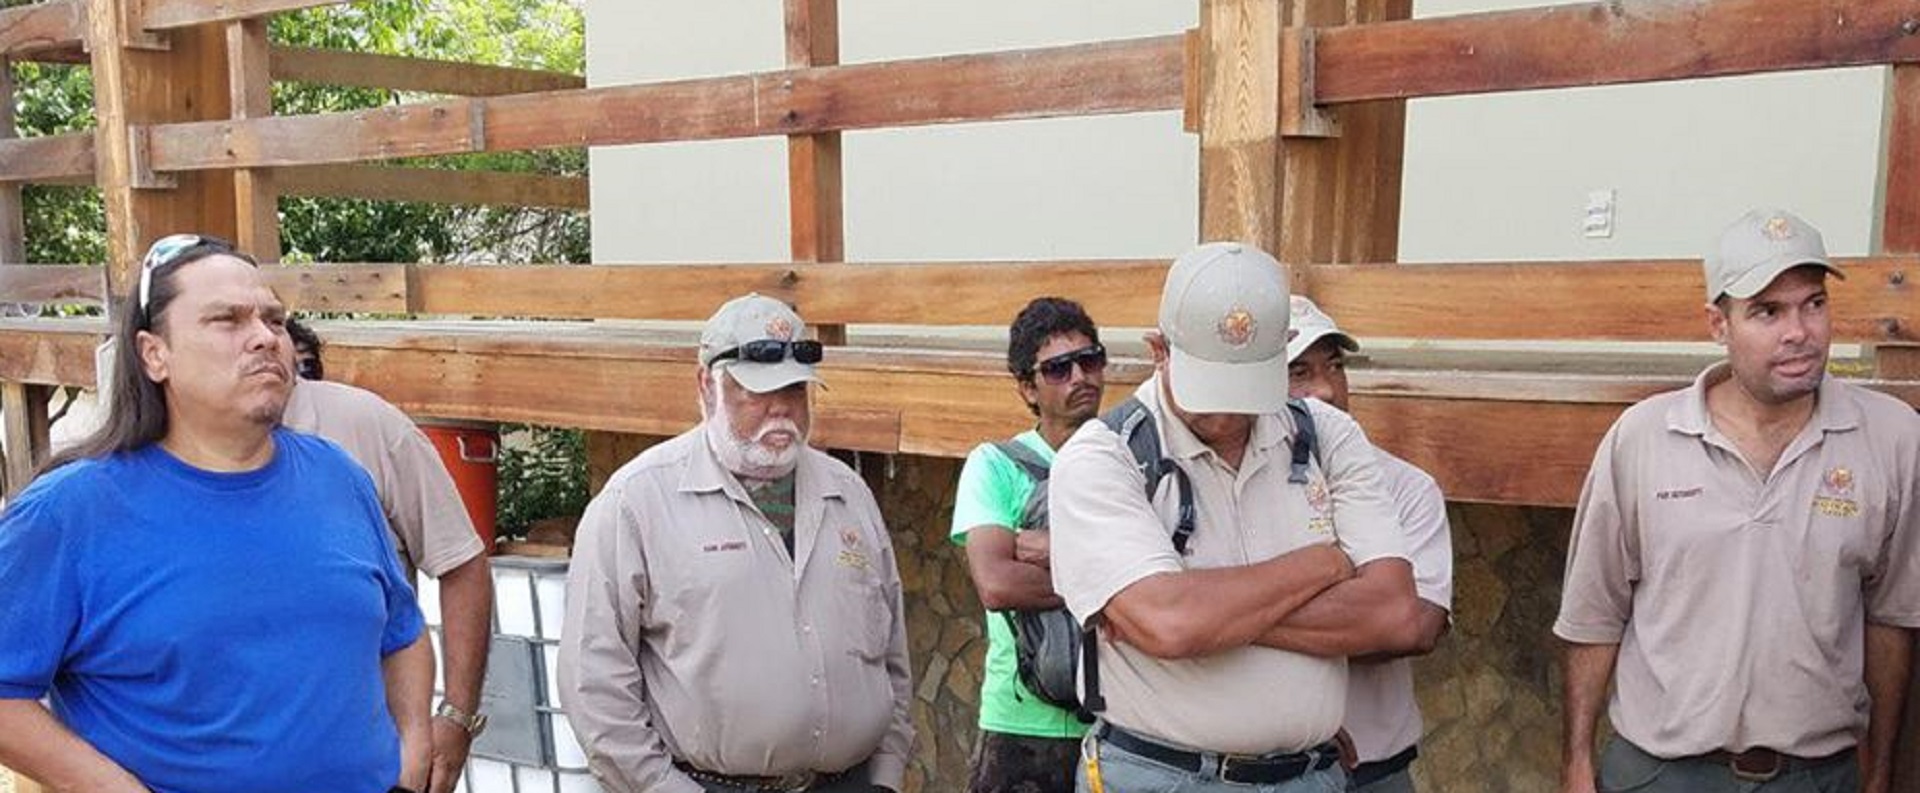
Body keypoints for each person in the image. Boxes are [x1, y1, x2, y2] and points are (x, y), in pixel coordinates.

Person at [0, 234, 433, 792]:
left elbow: (402, 633)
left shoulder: (338, 476)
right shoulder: (68, 515)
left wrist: (412, 752)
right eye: (228, 320)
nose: (264, 339)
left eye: (273, 321)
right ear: (155, 354)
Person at [1555, 209, 1920, 793]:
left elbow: (1893, 618)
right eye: (1768, 311)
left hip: (1817, 778)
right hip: (1660, 774)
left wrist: (1879, 775)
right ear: (1718, 325)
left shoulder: (1893, 438)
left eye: (1814, 304)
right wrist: (1576, 764)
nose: (1798, 331)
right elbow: (1594, 615)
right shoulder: (1643, 437)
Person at [1050, 241, 1426, 793]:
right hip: (1161, 776)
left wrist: (1208, 615)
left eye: (1247, 387)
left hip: (1309, 775)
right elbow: (1171, 624)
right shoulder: (1103, 457)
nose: (1228, 414)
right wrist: (1325, 563)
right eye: (1211, 388)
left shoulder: (1326, 433)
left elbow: (1394, 615)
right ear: (1159, 350)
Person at [557, 293, 913, 793]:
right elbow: (593, 682)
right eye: (758, 391)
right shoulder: (635, 503)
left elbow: (892, 652)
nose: (782, 409)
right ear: (707, 385)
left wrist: (888, 772)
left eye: (795, 390)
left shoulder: (848, 493)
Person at [279, 316, 495, 793]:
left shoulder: (360, 427)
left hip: (377, 753)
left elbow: (459, 563)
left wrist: (455, 717)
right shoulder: (132, 468)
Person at [1285, 296, 1453, 793]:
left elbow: (1412, 627)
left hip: (1373, 766)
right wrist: (1354, 604)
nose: (1328, 390)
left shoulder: (1406, 486)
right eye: (1299, 372)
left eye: (1335, 367)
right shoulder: (1235, 491)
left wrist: (1243, 622)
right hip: (1270, 764)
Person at [951, 297, 1108, 793]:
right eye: (1058, 368)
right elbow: (997, 583)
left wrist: (1044, 548)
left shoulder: (1129, 459)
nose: (1080, 376)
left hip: (1118, 724)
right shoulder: (995, 465)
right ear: (1027, 388)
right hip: (1021, 725)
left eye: (1091, 359)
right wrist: (1113, 576)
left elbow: (1172, 575)